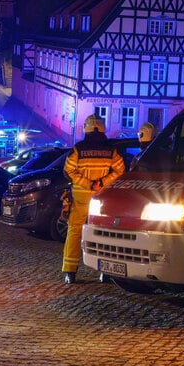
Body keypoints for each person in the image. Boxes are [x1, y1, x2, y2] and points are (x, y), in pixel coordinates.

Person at [61, 114, 126, 284]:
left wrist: (87, 183)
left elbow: (68, 171)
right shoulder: (111, 150)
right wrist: (101, 183)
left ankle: (70, 271)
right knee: (103, 235)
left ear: (86, 128)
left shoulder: (78, 149)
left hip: (81, 198)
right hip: (101, 200)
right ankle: (105, 272)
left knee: (74, 232)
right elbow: (120, 171)